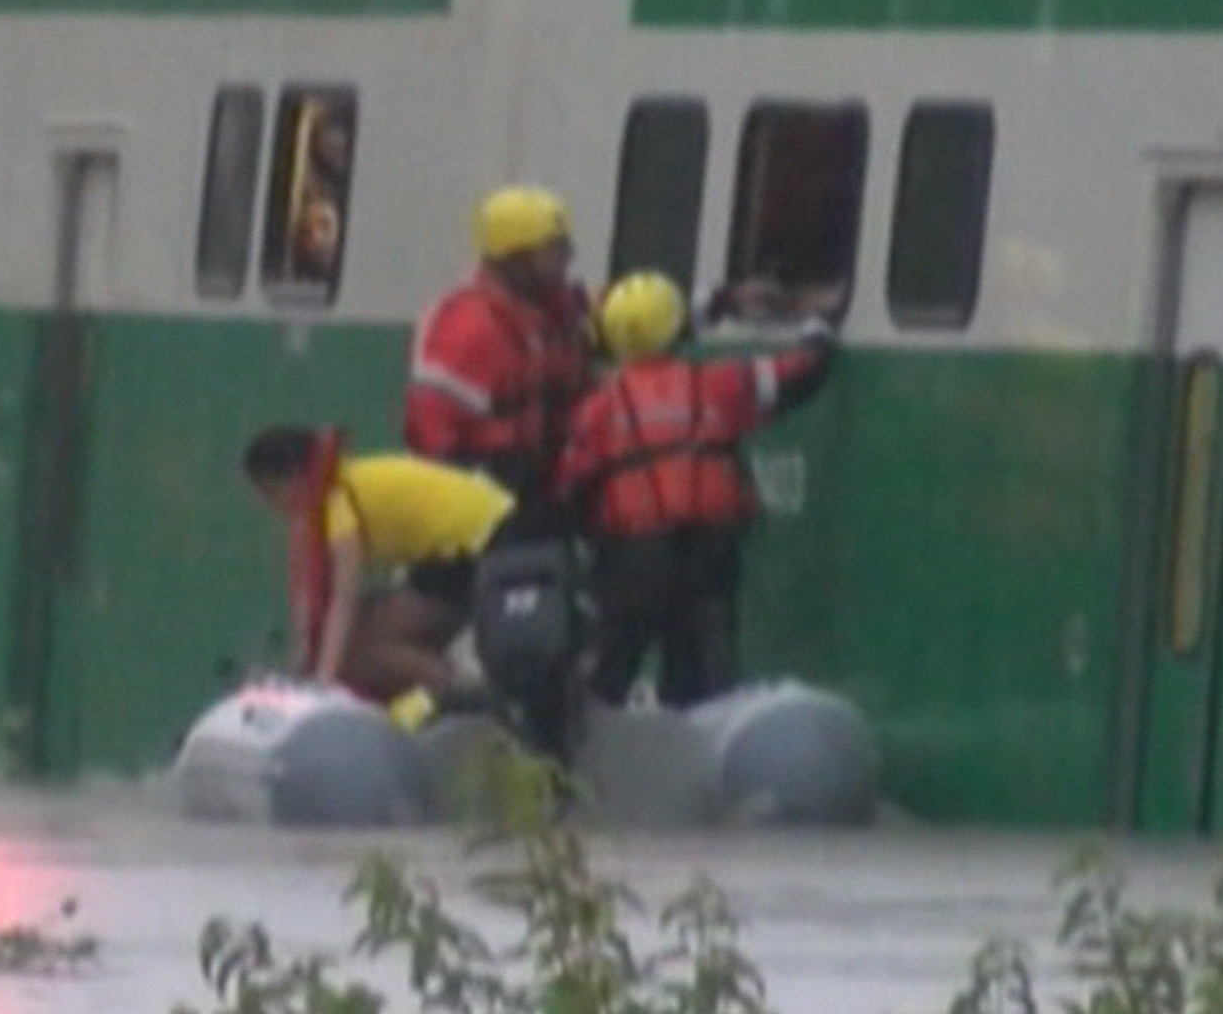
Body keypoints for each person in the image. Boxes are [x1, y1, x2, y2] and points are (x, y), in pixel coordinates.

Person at [556, 271, 836, 709]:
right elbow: (803, 371)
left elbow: (571, 484)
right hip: (709, 552)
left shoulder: (598, 406)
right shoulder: (716, 385)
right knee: (707, 674)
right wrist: (816, 326)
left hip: (632, 557)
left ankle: (577, 759)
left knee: (609, 672)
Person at [242, 426, 585, 759]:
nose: (270, 505)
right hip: (458, 549)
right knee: (364, 628)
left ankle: (456, 694)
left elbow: (342, 600)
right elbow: (316, 604)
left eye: (271, 493)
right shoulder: (335, 491)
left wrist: (322, 685)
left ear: (296, 479)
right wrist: (304, 661)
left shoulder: (337, 503)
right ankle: (443, 688)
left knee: (359, 649)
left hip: (486, 545)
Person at [404, 186, 595, 537]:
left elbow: (624, 312)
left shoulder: (557, 310)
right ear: (514, 258)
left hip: (544, 491)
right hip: (484, 491)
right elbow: (431, 427)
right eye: (553, 250)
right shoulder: (463, 326)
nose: (566, 258)